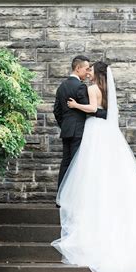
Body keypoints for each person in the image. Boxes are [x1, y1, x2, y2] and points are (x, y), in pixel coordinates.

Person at [51, 61, 136, 272]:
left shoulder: (92, 89)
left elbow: (92, 109)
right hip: (107, 133)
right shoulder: (107, 90)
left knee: (92, 170)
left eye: (91, 70)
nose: (88, 72)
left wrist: (75, 106)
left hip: (94, 131)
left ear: (97, 73)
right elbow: (104, 111)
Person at [53, 55, 107, 207]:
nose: (88, 71)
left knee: (66, 163)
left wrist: (65, 125)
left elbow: (56, 111)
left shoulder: (61, 86)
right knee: (78, 165)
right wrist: (107, 114)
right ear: (78, 68)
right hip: (79, 131)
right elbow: (91, 110)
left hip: (67, 131)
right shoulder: (81, 87)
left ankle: (60, 198)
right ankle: (74, 199)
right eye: (86, 68)